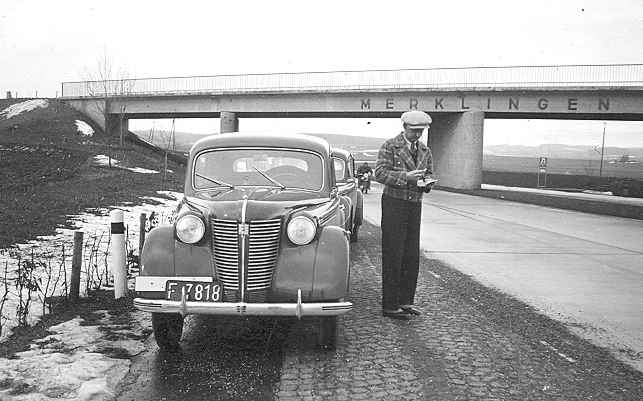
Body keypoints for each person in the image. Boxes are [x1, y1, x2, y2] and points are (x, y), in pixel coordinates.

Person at [374, 110, 435, 319]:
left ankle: (406, 301)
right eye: (414, 131)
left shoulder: (425, 150)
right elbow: (379, 173)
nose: (418, 135)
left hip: (414, 205)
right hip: (394, 204)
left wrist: (427, 183)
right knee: (393, 253)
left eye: (421, 131)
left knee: (411, 255)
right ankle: (390, 305)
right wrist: (406, 177)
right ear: (405, 127)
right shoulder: (390, 146)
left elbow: (429, 173)